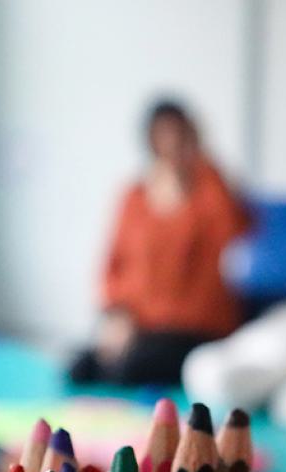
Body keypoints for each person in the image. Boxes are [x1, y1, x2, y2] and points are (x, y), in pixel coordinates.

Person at [69, 99, 250, 386]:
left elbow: (235, 228)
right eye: (163, 134)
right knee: (79, 368)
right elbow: (112, 264)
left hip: (193, 328)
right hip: (139, 324)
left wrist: (201, 161)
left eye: (180, 133)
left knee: (132, 368)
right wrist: (115, 316)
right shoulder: (134, 195)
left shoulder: (209, 189)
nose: (172, 143)